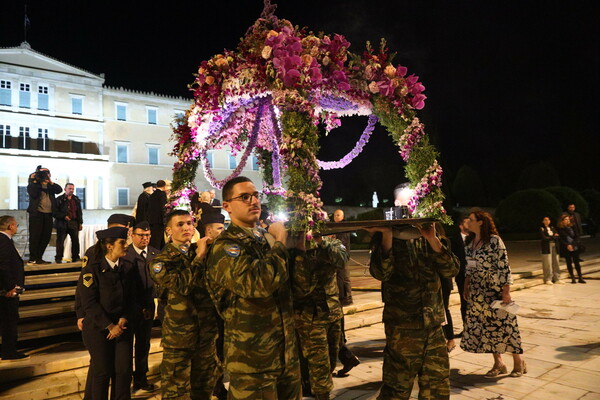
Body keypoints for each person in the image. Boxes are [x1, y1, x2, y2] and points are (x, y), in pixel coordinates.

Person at [205, 176, 301, 399]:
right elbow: (258, 284)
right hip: (252, 361)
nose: (253, 201)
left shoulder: (263, 238)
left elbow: (296, 288)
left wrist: (300, 250)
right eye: (244, 197)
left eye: (256, 196)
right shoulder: (227, 246)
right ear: (227, 206)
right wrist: (279, 243)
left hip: (285, 354)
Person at [366, 183, 459, 400]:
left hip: (434, 326)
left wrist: (432, 239)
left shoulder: (431, 232)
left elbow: (451, 269)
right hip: (402, 328)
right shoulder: (384, 236)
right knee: (396, 390)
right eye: (410, 203)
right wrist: (388, 235)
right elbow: (381, 273)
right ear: (398, 205)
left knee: (437, 388)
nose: (415, 209)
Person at [148, 210, 219, 400]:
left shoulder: (201, 252)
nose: (186, 227)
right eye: (180, 224)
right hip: (179, 339)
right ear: (169, 230)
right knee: (176, 393)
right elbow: (183, 285)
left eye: (189, 223)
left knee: (204, 389)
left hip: (205, 335)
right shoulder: (160, 262)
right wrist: (199, 257)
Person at [76, 213, 135, 400]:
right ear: (109, 245)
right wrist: (109, 326)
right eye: (122, 243)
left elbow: (131, 298)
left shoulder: (127, 266)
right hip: (98, 328)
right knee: (102, 372)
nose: (126, 246)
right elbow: (89, 303)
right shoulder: (92, 269)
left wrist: (122, 321)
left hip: (122, 325)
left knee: (124, 370)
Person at [460, 211, 526, 378]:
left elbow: (504, 266)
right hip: (477, 291)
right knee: (486, 328)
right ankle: (499, 363)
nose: (468, 221)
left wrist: (506, 291)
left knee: (505, 326)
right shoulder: (469, 241)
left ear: (481, 222)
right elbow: (469, 266)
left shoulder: (494, 241)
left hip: (494, 289)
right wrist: (466, 285)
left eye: (472, 219)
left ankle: (519, 361)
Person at [292, 235, 349, 400]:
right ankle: (321, 393)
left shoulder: (332, 243)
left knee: (331, 359)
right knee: (319, 364)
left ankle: (315, 387)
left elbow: (342, 261)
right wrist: (302, 251)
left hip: (332, 313)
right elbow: (301, 286)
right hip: (309, 317)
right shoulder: (293, 248)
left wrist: (320, 242)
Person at [122, 221, 158, 393]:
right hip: (129, 307)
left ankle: (141, 379)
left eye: (148, 235)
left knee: (144, 345)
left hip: (148, 306)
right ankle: (125, 380)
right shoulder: (124, 254)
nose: (145, 238)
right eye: (141, 235)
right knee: (127, 346)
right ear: (132, 235)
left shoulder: (155, 253)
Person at [200, 211, 228, 400]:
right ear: (208, 231)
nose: (223, 231)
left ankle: (218, 385)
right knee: (212, 353)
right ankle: (215, 386)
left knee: (221, 350)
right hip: (207, 312)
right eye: (219, 228)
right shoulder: (198, 251)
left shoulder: (225, 250)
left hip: (223, 310)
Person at [331, 209, 361, 377]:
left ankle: (346, 357)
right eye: (334, 215)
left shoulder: (342, 231)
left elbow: (342, 257)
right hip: (333, 293)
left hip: (336, 290)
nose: (335, 217)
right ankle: (346, 357)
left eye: (338, 215)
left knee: (333, 329)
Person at [0, 215, 29, 361]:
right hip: (7, 290)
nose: (17, 227)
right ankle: (8, 351)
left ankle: (7, 350)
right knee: (9, 321)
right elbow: (3, 266)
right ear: (10, 226)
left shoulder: (5, 240)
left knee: (8, 320)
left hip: (7, 288)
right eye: (16, 224)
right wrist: (10, 286)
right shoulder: (3, 241)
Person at [27, 165, 62, 264]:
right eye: (41, 173)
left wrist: (50, 181)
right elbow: (33, 193)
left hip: (48, 214)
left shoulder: (50, 186)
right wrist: (34, 180)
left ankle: (39, 257)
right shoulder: (33, 185)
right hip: (36, 214)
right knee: (35, 236)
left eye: (46, 173)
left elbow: (59, 190)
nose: (44, 175)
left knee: (46, 237)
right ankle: (33, 258)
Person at [54, 183, 83, 263]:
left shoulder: (76, 199)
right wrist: (63, 216)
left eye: (72, 189)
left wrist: (80, 223)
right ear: (65, 189)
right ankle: (58, 258)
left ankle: (75, 257)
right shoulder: (59, 199)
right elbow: (54, 212)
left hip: (73, 222)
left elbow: (79, 212)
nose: (71, 190)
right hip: (62, 223)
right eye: (69, 188)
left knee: (75, 241)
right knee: (60, 241)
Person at [451, 216, 469, 335]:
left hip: (476, 276)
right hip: (462, 276)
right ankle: (466, 328)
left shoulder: (477, 238)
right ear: (461, 225)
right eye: (467, 223)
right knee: (465, 302)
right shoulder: (454, 240)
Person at [557, 214, 585, 284]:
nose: (567, 221)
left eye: (568, 219)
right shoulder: (560, 229)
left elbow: (577, 237)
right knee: (569, 262)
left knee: (576, 262)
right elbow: (560, 239)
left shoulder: (573, 227)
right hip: (566, 248)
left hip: (574, 246)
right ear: (562, 221)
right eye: (566, 219)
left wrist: (572, 245)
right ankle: (572, 277)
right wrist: (567, 245)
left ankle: (580, 277)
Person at [540, 216, 564, 285]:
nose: (547, 221)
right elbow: (544, 238)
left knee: (556, 262)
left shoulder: (552, 228)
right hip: (546, 247)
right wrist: (553, 237)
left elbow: (557, 236)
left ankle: (557, 278)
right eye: (545, 220)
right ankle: (548, 278)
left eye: (548, 220)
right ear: (543, 221)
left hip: (554, 246)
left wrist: (553, 237)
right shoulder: (542, 229)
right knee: (548, 263)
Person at [147, 180, 168, 250]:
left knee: (154, 238)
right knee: (159, 238)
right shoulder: (162, 194)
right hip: (159, 220)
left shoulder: (152, 194)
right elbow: (163, 207)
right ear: (164, 186)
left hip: (152, 220)